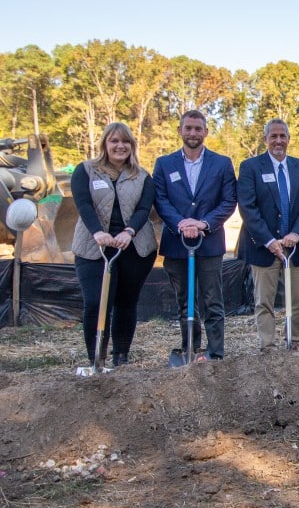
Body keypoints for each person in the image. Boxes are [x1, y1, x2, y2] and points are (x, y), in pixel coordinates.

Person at [70, 122, 158, 367]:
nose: (120, 146)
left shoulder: (142, 176)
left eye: (125, 142)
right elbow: (84, 204)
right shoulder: (86, 170)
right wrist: (98, 232)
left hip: (134, 248)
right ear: (105, 145)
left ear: (132, 145)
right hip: (94, 247)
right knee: (96, 303)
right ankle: (96, 358)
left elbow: (144, 208)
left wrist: (129, 231)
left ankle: (121, 356)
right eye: (114, 141)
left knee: (126, 302)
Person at [153, 110, 237, 361]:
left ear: (206, 132)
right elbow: (160, 199)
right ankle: (191, 347)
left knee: (213, 299)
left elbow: (228, 200)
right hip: (177, 242)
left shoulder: (221, 163)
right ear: (179, 130)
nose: (193, 133)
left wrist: (203, 223)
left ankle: (216, 352)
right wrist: (180, 223)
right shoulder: (164, 164)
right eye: (188, 128)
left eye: (198, 128)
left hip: (209, 242)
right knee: (185, 300)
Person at [237, 119, 299, 353]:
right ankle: (268, 345)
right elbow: (248, 208)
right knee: (264, 300)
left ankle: (296, 341)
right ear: (265, 139)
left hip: (296, 246)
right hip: (263, 247)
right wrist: (269, 241)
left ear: (289, 139)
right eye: (273, 136)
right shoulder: (251, 167)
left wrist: (296, 233)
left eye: (283, 136)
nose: (278, 140)